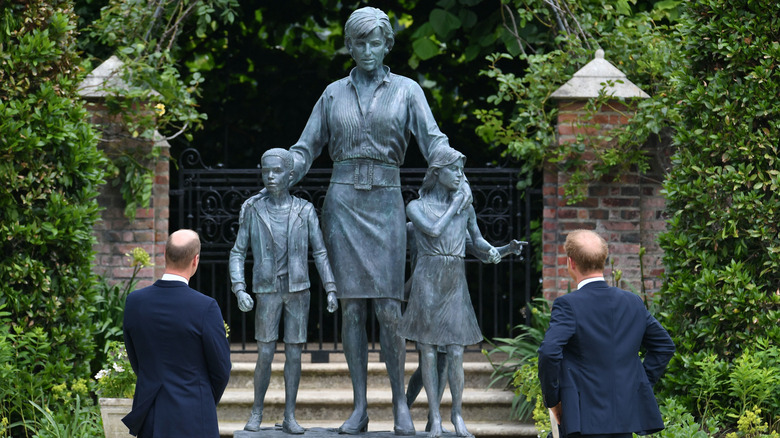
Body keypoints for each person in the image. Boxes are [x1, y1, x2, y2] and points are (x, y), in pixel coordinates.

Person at [287, 6, 469, 435]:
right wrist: (283, 169)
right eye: (359, 42)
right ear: (349, 46)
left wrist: (457, 174)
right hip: (343, 204)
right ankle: (360, 407)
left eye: (375, 42)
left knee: (389, 308)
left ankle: (399, 406)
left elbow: (433, 140)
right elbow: (306, 147)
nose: (367, 50)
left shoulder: (407, 91)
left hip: (386, 203)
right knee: (351, 309)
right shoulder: (332, 94)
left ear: (387, 45)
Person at [398, 148, 509, 438]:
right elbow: (433, 231)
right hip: (427, 279)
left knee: (456, 351)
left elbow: (478, 243)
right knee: (429, 352)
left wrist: (502, 250)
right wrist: (457, 203)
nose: (461, 176)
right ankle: (434, 418)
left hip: (454, 280)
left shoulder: (466, 208)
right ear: (437, 173)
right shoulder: (416, 207)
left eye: (462, 170)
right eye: (455, 170)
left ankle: (457, 414)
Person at [229, 148, 339, 434]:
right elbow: (237, 252)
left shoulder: (304, 210)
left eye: (276, 171)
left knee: (294, 354)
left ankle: (290, 415)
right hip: (267, 290)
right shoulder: (254, 210)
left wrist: (330, 287)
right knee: (264, 353)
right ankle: (257, 411)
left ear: (290, 175)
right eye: (266, 171)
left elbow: (321, 252)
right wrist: (239, 288)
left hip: (298, 290)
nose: (270, 177)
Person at [537, 229, 676, 438]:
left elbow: (549, 352)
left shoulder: (568, 305)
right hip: (623, 419)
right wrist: (634, 387)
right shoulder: (633, 303)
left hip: (582, 421)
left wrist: (553, 401)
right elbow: (664, 346)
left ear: (571, 263)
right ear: (603, 260)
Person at [122, 229, 232, 438]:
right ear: (195, 260)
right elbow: (221, 369)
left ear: (164, 255)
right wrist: (202, 399)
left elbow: (136, 360)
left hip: (150, 415)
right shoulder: (205, 307)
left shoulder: (135, 302)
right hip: (194, 417)